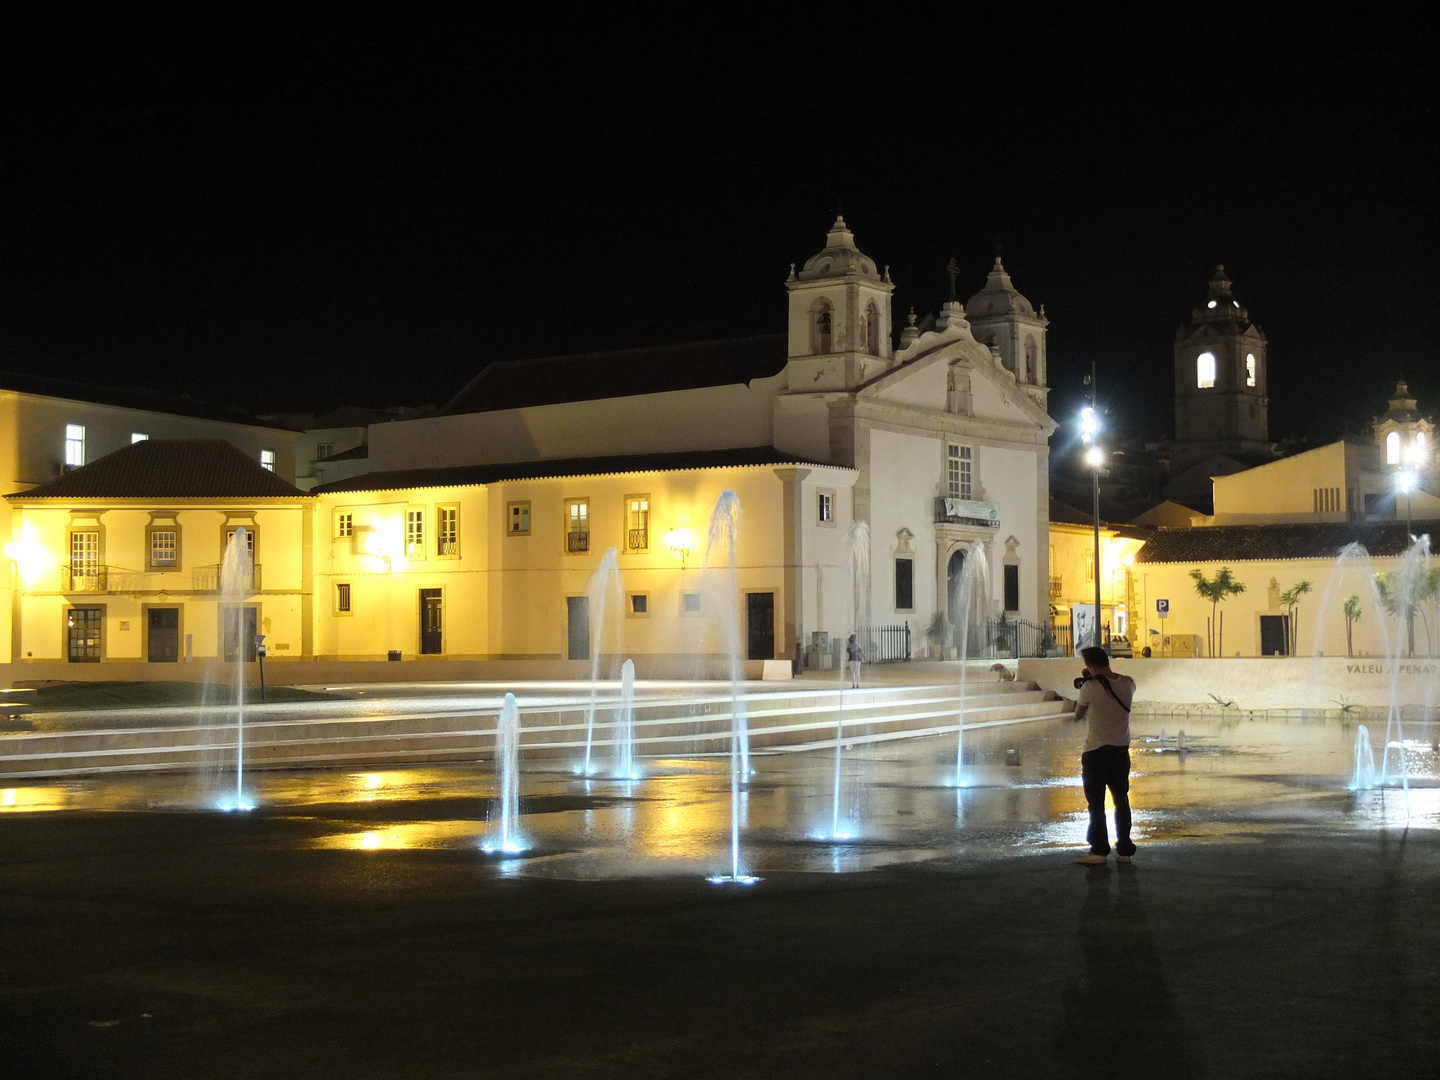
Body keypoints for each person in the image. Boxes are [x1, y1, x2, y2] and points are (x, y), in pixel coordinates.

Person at [1073, 645, 1136, 866]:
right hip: (1120, 752)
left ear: (1089, 665)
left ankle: (1099, 851)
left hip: (1096, 753)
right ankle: (1125, 850)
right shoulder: (1129, 683)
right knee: (1121, 800)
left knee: (1096, 804)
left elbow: (1078, 715)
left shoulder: (1089, 688)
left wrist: (1089, 681)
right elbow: (1112, 684)